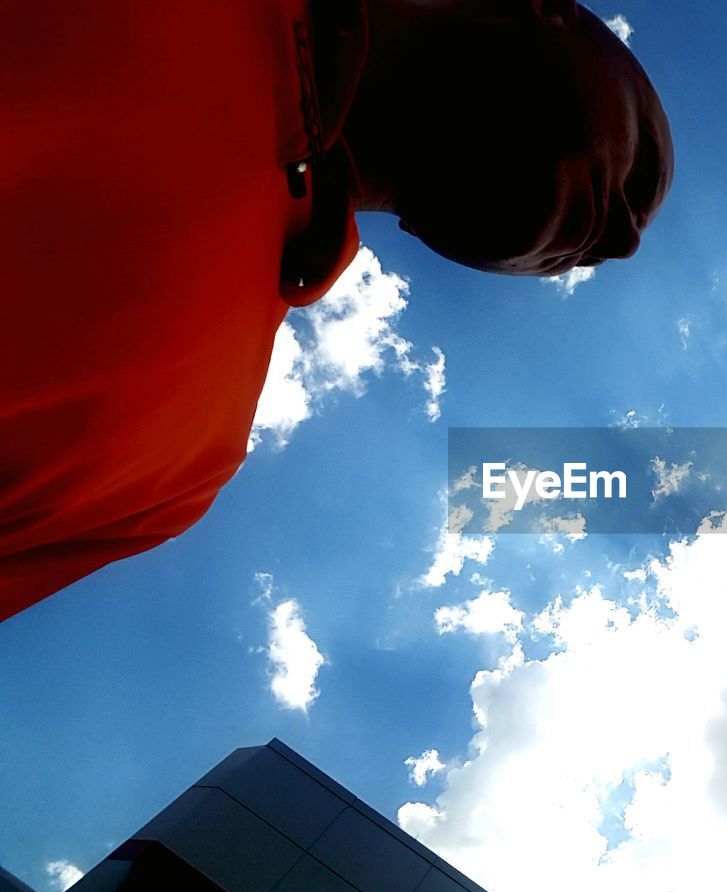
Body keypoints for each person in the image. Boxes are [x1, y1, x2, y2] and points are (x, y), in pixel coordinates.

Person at [0, 0, 674, 622]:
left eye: (593, 261)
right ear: (546, 10)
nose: (621, 242)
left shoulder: (190, 459)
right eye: (639, 159)